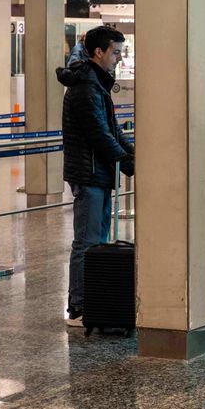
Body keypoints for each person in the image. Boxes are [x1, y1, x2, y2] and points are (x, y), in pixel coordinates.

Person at [56, 25, 134, 328]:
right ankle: (77, 307)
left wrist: (132, 154)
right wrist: (125, 160)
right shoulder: (85, 86)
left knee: (96, 240)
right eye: (115, 52)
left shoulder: (97, 82)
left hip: (98, 172)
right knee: (87, 242)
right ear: (98, 52)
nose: (117, 58)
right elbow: (98, 133)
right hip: (88, 174)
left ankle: (93, 301)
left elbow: (112, 129)